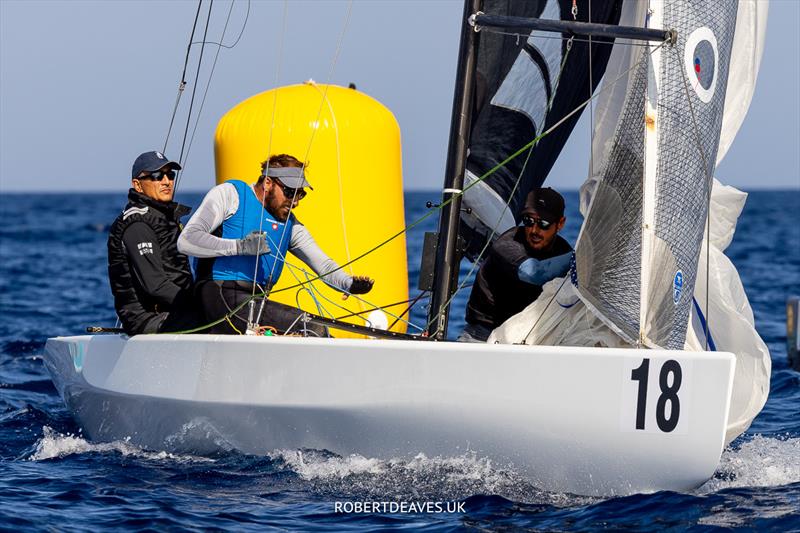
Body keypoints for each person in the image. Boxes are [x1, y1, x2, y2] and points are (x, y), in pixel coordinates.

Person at [177, 153, 374, 335]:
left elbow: (322, 264)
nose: (295, 201)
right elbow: (187, 240)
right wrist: (240, 247)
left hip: (256, 302)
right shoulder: (231, 194)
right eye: (289, 192)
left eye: (300, 194)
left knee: (316, 328)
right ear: (268, 183)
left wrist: (347, 284)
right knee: (313, 328)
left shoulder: (290, 223)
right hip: (220, 296)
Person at [458, 187, 573, 343]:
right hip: (481, 337)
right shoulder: (507, 244)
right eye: (528, 221)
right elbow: (534, 273)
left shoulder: (563, 251)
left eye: (543, 223)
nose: (534, 230)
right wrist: (578, 257)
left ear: (560, 223)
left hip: (529, 337)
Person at [108, 150, 203, 335]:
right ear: (138, 185)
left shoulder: (165, 218)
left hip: (175, 311)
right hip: (146, 319)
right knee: (219, 322)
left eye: (170, 174)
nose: (166, 181)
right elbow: (155, 286)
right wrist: (199, 304)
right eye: (157, 176)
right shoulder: (137, 224)